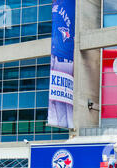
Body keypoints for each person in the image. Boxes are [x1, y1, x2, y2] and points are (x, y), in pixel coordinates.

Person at [48, 0, 74, 129]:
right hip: (56, 59)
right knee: (57, 103)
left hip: (67, 61)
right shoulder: (57, 4)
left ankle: (68, 126)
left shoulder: (68, 4)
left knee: (67, 106)